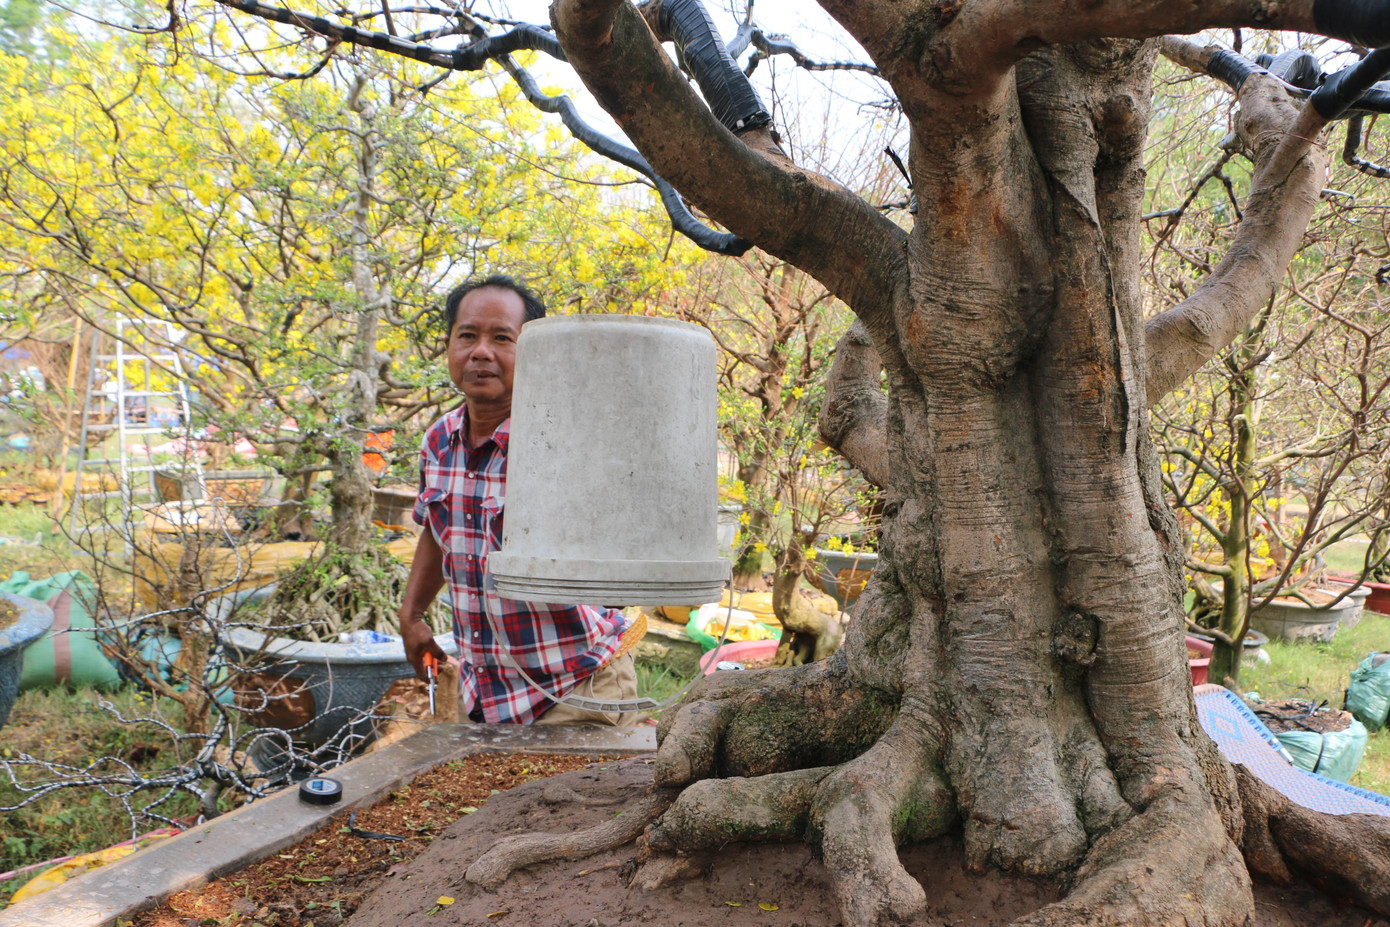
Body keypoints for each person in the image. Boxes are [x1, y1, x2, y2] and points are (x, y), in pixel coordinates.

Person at [398, 275, 641, 725]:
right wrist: (411, 615)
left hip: (577, 689)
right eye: (467, 335)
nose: (481, 351)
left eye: (502, 338)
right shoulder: (438, 440)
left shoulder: (564, 440)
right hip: (484, 697)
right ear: (449, 346)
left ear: (533, 352)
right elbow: (437, 530)